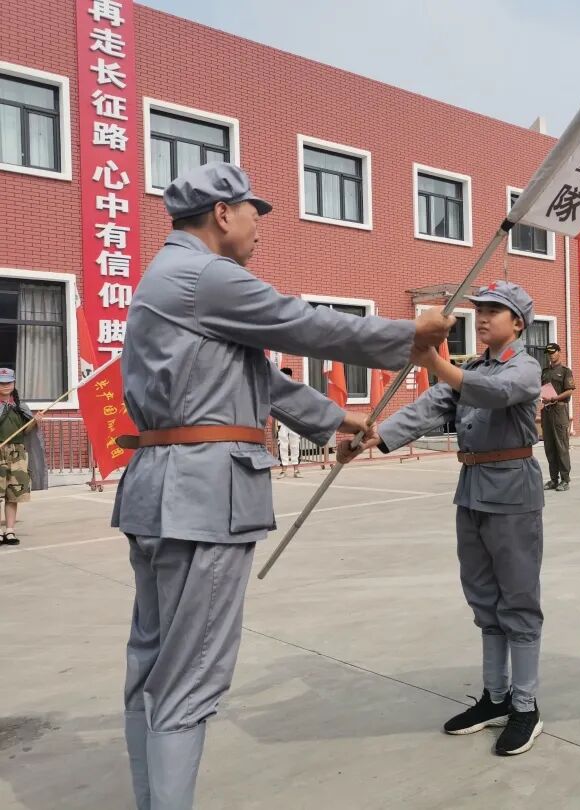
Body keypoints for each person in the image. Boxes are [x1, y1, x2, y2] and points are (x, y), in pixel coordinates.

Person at [114, 162, 454, 810]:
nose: (258, 228)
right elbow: (301, 323)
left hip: (162, 490)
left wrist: (336, 420)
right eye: (253, 213)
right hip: (204, 497)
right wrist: (410, 336)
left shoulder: (170, 278)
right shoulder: (207, 275)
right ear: (222, 214)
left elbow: (256, 376)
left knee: (153, 664)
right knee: (189, 678)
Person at [362, 280, 545, 756]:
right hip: (473, 490)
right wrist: (376, 436)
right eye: (478, 309)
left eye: (493, 311)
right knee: (484, 599)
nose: (481, 317)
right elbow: (432, 405)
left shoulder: (524, 367)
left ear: (517, 323)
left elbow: (496, 393)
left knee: (518, 600)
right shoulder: (471, 369)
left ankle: (526, 706)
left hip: (512, 492)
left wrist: (437, 364)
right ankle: (496, 697)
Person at [0, 368, 48, 544]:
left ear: (14, 383)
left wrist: (35, 421)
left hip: (17, 454)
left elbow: (25, 431)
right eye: (1, 383)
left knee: (14, 493)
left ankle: (10, 530)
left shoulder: (20, 406)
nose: (5, 385)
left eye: (9, 382)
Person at [540, 342, 574, 492]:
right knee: (549, 447)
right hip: (547, 411)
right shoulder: (545, 372)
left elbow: (569, 390)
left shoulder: (565, 371)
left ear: (559, 352)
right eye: (548, 353)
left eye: (553, 352)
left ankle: (565, 480)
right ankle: (554, 479)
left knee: (561, 446)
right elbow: (542, 389)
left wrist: (555, 398)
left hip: (559, 411)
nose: (551, 355)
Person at [275, 367, 302, 478]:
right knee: (283, 445)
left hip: (294, 420)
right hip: (282, 421)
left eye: (288, 376)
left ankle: (296, 470)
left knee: (295, 444)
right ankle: (284, 470)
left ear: (291, 376)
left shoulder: (296, 389)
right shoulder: (277, 390)